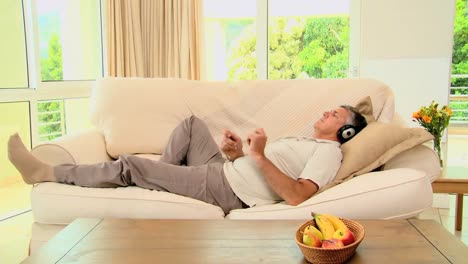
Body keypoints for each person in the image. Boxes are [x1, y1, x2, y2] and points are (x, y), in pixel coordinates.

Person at [8, 105, 367, 214]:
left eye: (335, 114)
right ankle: (164, 179)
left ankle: (46, 170)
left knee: (132, 164)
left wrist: (255, 155)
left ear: (345, 132)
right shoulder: (306, 141)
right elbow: (260, 166)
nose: (325, 112)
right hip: (226, 169)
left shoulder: (328, 152)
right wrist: (238, 153)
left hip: (228, 189)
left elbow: (298, 195)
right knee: (193, 125)